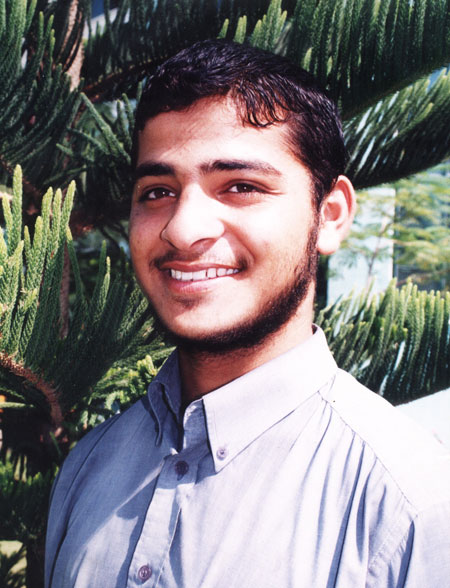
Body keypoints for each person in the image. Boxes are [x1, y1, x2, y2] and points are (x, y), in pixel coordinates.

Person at [45, 40, 450, 588]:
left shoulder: (409, 507)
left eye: (240, 186)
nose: (182, 229)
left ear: (330, 216)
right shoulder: (88, 468)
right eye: (158, 191)